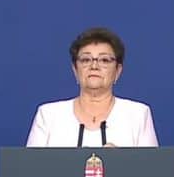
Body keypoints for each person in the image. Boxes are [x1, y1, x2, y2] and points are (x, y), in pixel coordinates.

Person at [26, 27, 158, 147]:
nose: (94, 66)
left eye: (104, 60)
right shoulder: (48, 116)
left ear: (118, 71)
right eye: (86, 60)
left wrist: (121, 162)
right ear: (75, 70)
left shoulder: (138, 115)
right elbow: (31, 165)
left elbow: (151, 165)